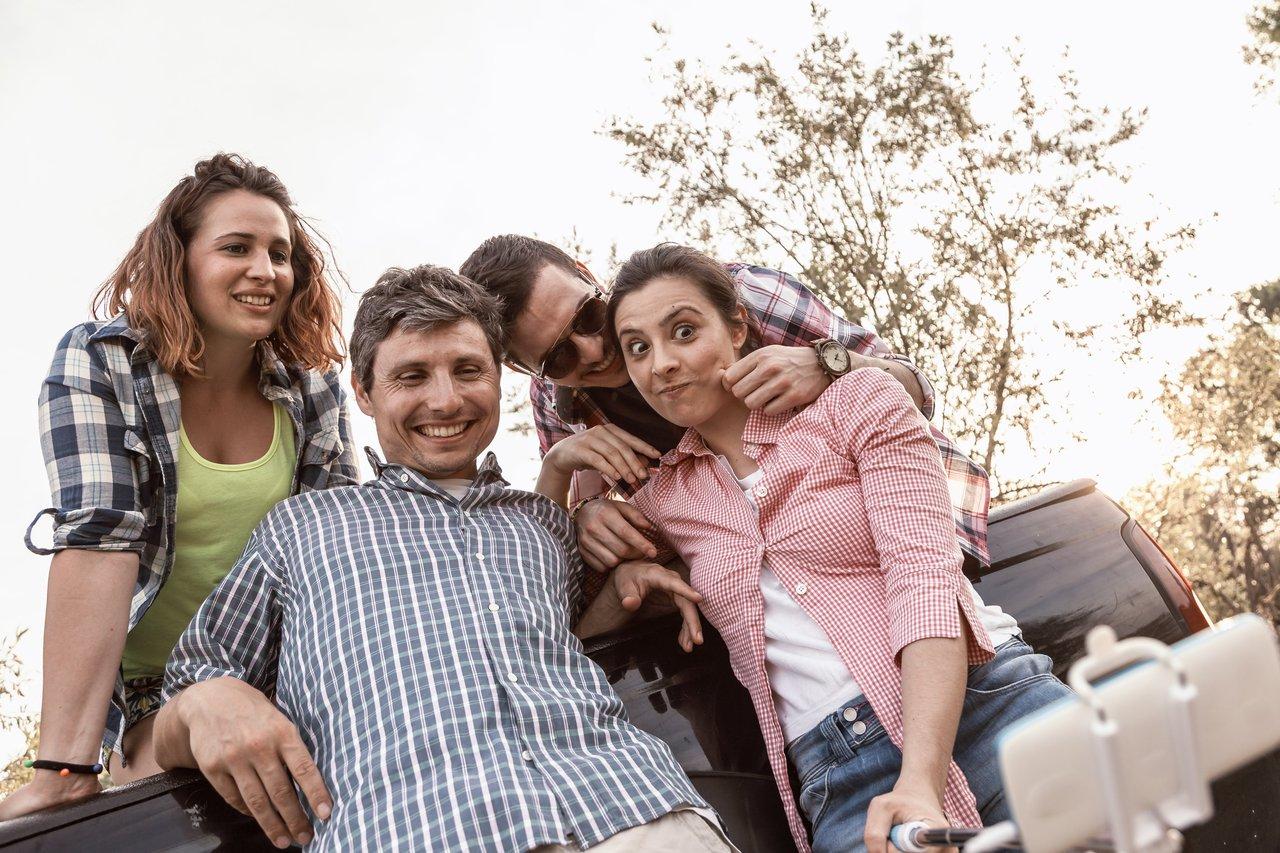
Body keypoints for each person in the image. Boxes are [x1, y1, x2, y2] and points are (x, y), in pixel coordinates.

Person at [151, 265, 732, 852]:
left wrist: (624, 590)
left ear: (497, 380)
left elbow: (570, 643)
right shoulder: (302, 528)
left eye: (468, 370)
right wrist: (203, 700)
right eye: (412, 376)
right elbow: (181, 699)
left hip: (638, 812)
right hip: (421, 832)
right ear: (363, 391)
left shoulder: (544, 522)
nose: (446, 399)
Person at [550, 244, 1073, 853]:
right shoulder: (662, 500)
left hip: (991, 706)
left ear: (738, 326)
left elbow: (923, 575)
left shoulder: (856, 403)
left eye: (684, 331)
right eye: (639, 348)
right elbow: (554, 625)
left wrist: (921, 781)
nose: (662, 363)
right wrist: (570, 490)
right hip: (842, 778)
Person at [0, 154, 357, 821]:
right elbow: (100, 537)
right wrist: (63, 768)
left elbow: (342, 552)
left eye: (280, 253)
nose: (265, 270)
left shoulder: (312, 390)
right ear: (180, 261)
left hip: (289, 673)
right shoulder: (101, 363)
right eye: (236, 248)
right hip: (156, 693)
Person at [459, 235, 989, 582]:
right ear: (526, 371)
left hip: (912, 539)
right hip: (763, 595)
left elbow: (915, 390)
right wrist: (588, 514)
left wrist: (828, 364)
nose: (594, 350)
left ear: (585, 270)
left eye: (589, 315)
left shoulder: (740, 295)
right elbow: (577, 539)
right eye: (558, 356)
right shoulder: (560, 407)